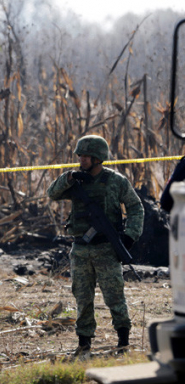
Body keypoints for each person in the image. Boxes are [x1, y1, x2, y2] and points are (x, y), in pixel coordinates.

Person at [47, 135, 144, 355]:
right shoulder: (76, 180)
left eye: (86, 156)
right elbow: (52, 194)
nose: (81, 159)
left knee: (114, 296)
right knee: (82, 297)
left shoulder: (115, 181)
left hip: (106, 248)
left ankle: (123, 341)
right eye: (79, 155)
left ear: (98, 158)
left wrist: (130, 236)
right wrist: (68, 177)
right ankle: (84, 343)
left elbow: (136, 207)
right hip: (80, 249)